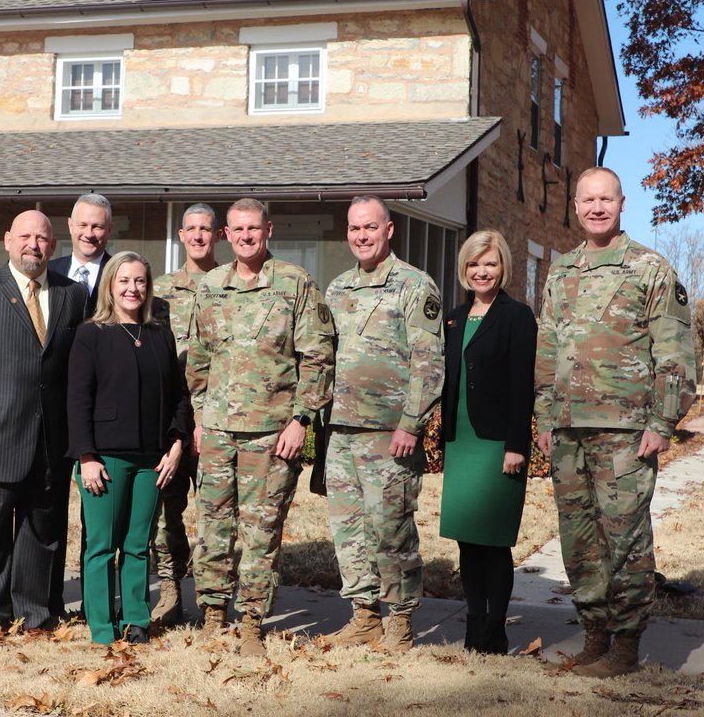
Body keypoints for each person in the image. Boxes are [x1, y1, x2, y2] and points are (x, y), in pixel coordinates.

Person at [535, 166, 696, 677]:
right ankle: (594, 634)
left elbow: (674, 352)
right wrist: (543, 416)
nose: (597, 208)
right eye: (588, 200)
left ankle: (625, 644)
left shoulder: (650, 269)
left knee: (624, 537)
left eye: (606, 199)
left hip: (626, 430)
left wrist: (662, 422)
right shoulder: (561, 271)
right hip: (567, 429)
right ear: (576, 207)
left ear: (622, 204)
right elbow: (547, 347)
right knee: (579, 537)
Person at [186, 198, 335, 656]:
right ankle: (213, 613)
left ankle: (251, 620)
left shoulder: (295, 283)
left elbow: (318, 357)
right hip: (217, 430)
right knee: (212, 525)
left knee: (261, 531)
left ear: (268, 230)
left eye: (253, 228)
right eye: (237, 229)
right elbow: (199, 359)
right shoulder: (211, 286)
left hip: (273, 433)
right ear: (226, 235)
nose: (246, 236)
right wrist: (198, 418)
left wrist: (301, 420)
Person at [0, 210, 87, 638]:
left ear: (53, 245)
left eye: (41, 238)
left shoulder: (73, 295)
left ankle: (36, 614)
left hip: (51, 440)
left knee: (41, 533)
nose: (33, 245)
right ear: (8, 240)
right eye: (25, 236)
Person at [322, 196, 444, 652]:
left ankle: (400, 620)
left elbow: (429, 363)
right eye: (355, 228)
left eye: (370, 227)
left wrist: (411, 424)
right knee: (349, 530)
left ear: (389, 230)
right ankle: (364, 616)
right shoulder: (338, 288)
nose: (362, 236)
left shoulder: (414, 285)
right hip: (341, 431)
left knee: (392, 530)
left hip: (390, 434)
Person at [68, 251, 193, 645]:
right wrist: (86, 456)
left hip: (152, 458)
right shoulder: (91, 334)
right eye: (124, 280)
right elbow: (77, 400)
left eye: (139, 281)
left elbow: (179, 396)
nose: (132, 289)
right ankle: (103, 629)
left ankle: (136, 621)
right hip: (104, 457)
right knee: (102, 546)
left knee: (138, 545)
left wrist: (177, 442)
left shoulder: (160, 334)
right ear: (110, 285)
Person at [438, 229, 536, 654]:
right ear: (465, 268)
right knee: (467, 539)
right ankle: (473, 625)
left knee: (494, 541)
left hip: (498, 443)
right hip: (461, 441)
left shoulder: (517, 316)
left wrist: (517, 444)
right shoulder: (454, 318)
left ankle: (495, 630)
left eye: (490, 263)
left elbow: (522, 385)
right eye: (475, 264)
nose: (482, 271)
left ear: (503, 267)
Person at [148, 203, 221, 628]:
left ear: (218, 235)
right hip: (169, 418)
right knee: (165, 513)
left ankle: (213, 602)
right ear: (180, 235)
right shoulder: (158, 292)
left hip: (220, 418)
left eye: (205, 229)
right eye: (191, 229)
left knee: (216, 515)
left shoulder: (232, 285)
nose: (198, 236)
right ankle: (171, 592)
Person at [49, 193, 114, 318]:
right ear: (70, 225)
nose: (89, 234)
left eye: (97, 226)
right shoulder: (49, 271)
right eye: (83, 225)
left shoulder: (119, 274)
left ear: (109, 229)